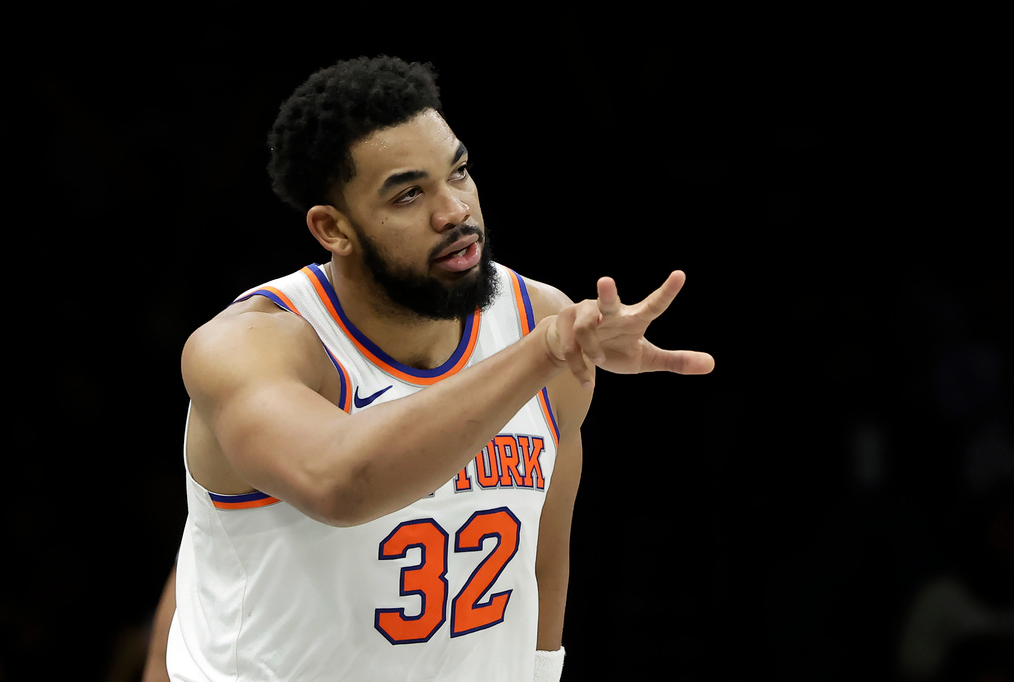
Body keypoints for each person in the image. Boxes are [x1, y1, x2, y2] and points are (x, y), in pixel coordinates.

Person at [153, 55, 714, 681]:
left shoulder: (539, 316)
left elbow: (541, 564)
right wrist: (541, 352)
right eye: (409, 193)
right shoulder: (254, 345)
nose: (453, 211)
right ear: (332, 227)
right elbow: (341, 483)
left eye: (461, 172)